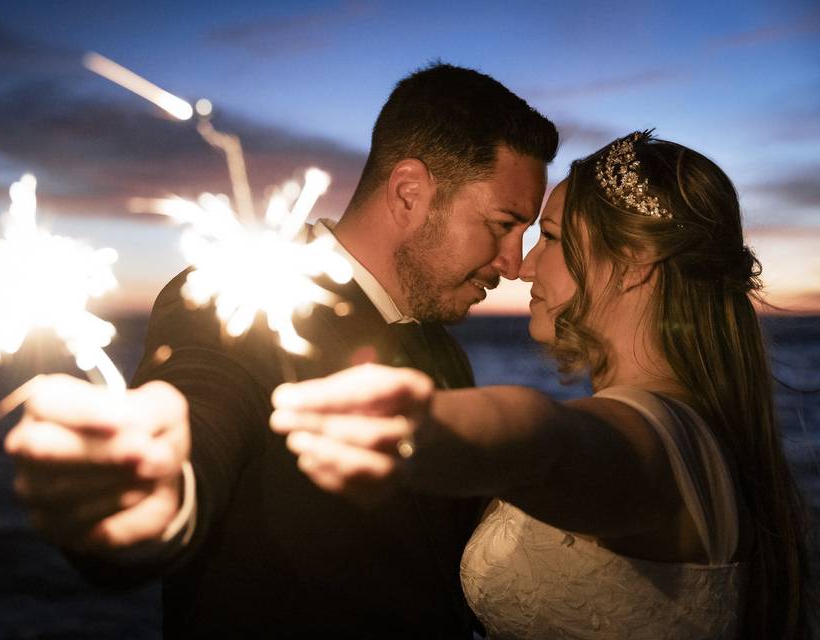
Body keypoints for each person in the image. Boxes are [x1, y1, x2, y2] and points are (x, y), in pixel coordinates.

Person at [4, 63, 559, 636]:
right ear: (409, 194)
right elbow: (204, 398)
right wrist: (155, 492)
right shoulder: (241, 296)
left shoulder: (445, 352)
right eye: (503, 224)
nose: (513, 263)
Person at [271, 131, 813, 639]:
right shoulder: (693, 431)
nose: (524, 267)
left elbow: (546, 439)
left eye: (549, 237)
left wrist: (420, 425)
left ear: (633, 262)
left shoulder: (656, 441)